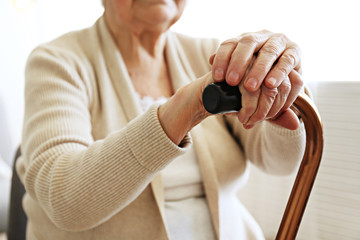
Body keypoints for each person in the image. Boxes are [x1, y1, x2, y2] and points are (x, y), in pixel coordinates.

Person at [16, 0, 307, 239]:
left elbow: (281, 162)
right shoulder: (56, 61)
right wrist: (183, 109)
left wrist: (280, 94)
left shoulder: (210, 55)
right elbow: (66, 201)